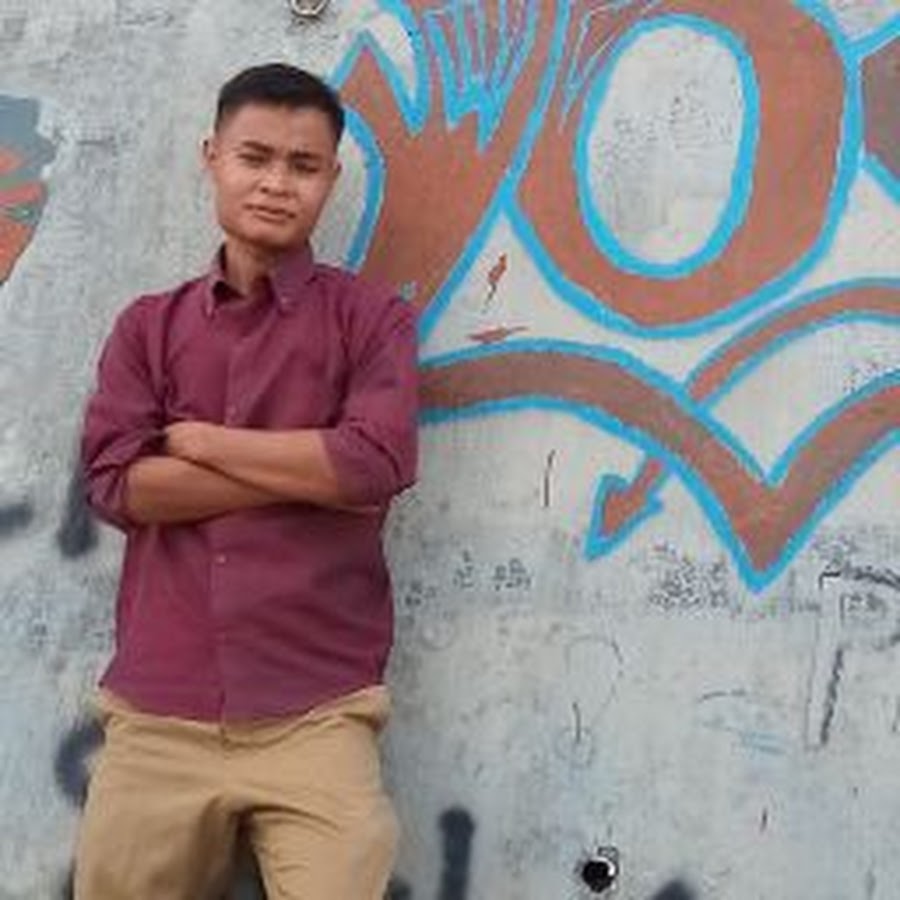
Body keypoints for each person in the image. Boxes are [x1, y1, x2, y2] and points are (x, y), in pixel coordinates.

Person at [74, 62, 418, 899]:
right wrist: (308, 470)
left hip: (317, 709)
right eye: (254, 157)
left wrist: (204, 443)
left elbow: (376, 464)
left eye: (303, 166)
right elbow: (120, 487)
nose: (275, 183)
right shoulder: (148, 328)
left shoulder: (371, 320)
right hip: (158, 710)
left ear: (330, 179)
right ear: (212, 158)